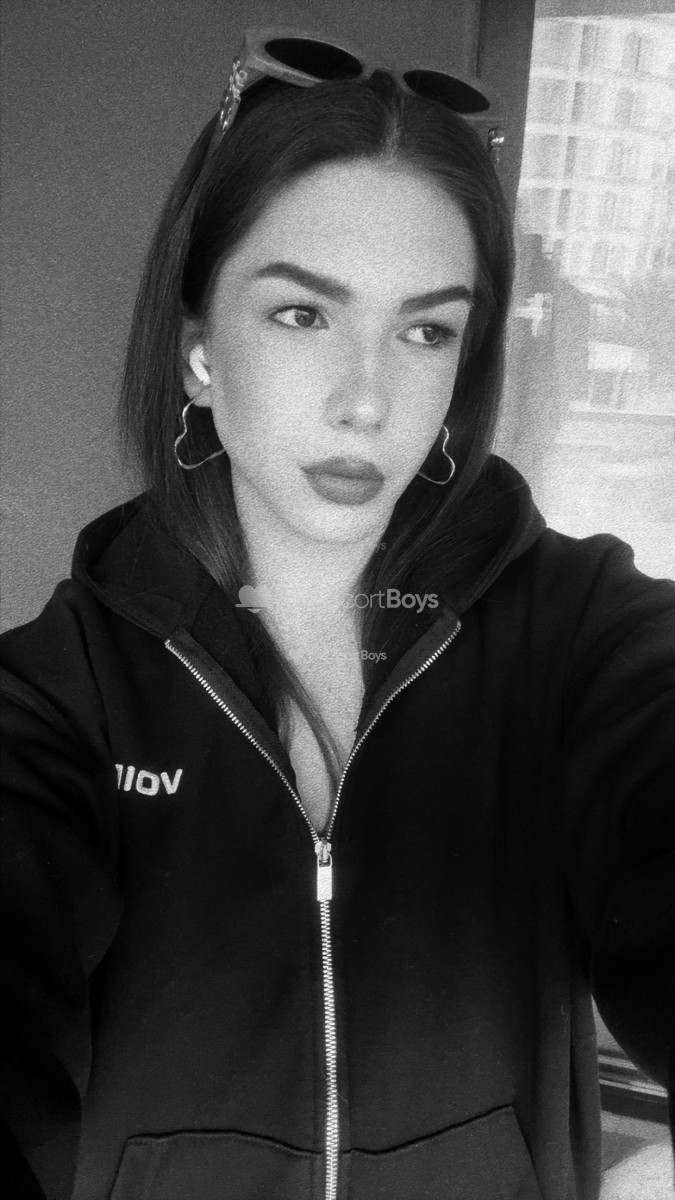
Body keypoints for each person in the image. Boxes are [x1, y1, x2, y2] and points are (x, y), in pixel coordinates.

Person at [1, 28, 673, 1200]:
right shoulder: (60, 698)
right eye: (302, 315)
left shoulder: (580, 640)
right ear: (200, 351)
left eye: (426, 330)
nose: (369, 400)